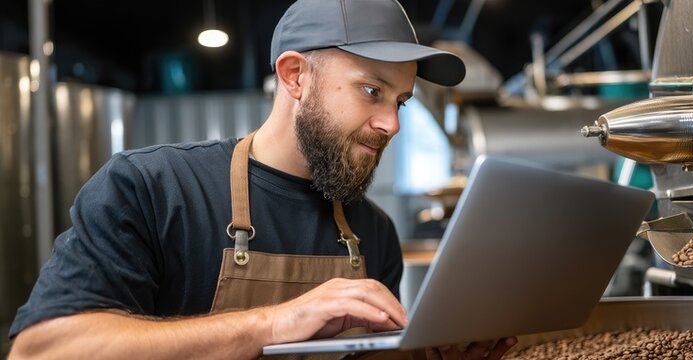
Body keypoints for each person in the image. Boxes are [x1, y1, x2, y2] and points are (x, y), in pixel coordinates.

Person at [8, 0, 516, 359]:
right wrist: (273, 324)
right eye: (371, 89)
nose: (393, 124)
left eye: (400, 101)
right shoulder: (152, 188)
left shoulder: (371, 230)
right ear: (295, 76)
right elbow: (42, 350)